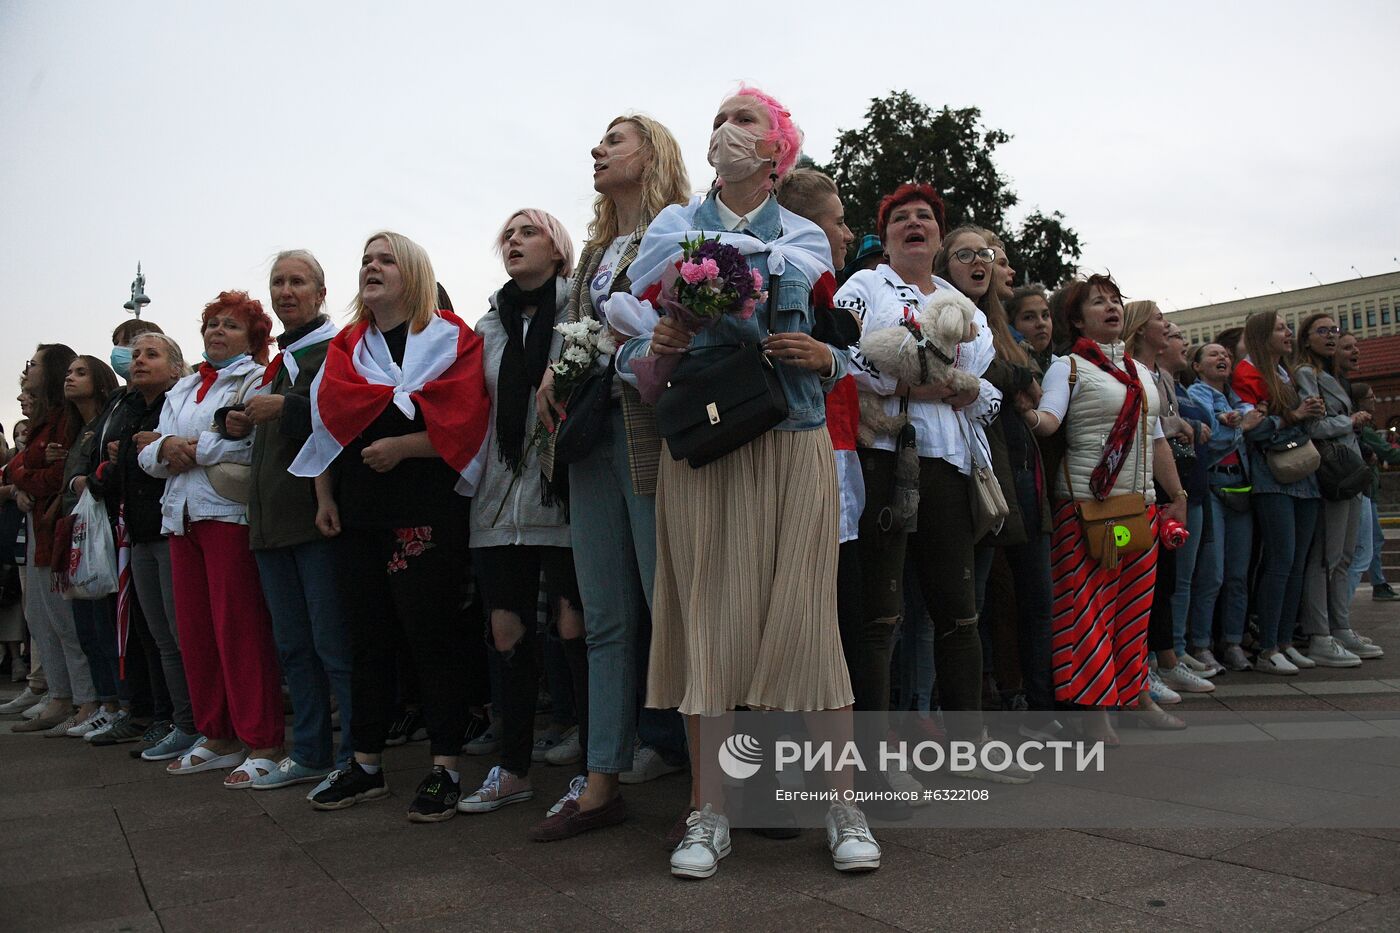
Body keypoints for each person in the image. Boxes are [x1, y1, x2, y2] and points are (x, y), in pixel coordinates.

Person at [616, 85, 877, 878]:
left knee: (807, 622)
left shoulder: (805, 235)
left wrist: (829, 360)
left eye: (745, 120)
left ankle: (841, 804)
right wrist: (657, 345)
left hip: (793, 441)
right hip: (704, 446)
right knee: (707, 626)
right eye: (719, 121)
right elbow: (626, 351)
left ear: (777, 150)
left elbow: (847, 342)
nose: (727, 131)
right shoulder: (670, 230)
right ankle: (708, 813)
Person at [530, 115, 693, 841]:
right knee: (605, 617)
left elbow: (683, 325)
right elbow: (576, 331)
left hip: (653, 438)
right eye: (598, 141)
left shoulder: (681, 229)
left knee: (675, 610)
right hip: (591, 437)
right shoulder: (595, 250)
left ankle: (714, 785)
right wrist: (551, 376)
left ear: (652, 154)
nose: (597, 150)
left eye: (615, 141)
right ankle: (601, 780)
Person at [294, 231, 490, 822]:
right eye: (365, 261)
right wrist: (324, 495)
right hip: (358, 509)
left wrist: (405, 446)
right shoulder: (347, 346)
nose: (371, 268)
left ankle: (445, 768)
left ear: (413, 272)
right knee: (366, 637)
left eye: (385, 260)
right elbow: (326, 427)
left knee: (431, 636)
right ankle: (365, 766)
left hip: (426, 508)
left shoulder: (452, 338)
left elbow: (470, 426)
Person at [839, 188, 1031, 768]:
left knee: (958, 614)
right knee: (880, 617)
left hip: (948, 466)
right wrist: (907, 385)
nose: (913, 223)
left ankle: (968, 750)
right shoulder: (864, 285)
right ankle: (869, 763)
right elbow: (842, 354)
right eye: (900, 217)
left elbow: (984, 385)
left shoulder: (959, 301)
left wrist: (957, 387)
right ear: (887, 235)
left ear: (937, 237)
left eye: (924, 217)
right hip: (883, 460)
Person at [1024, 275, 1190, 742]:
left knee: (1134, 612)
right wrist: (1026, 411)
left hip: (1140, 508)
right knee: (1088, 614)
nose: (1111, 308)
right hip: (1086, 511)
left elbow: (1155, 438)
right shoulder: (1068, 368)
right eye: (1098, 302)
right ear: (1077, 319)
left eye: (1115, 300)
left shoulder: (1139, 372)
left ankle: (1136, 695)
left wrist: (1176, 495)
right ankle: (1095, 714)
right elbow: (1050, 420)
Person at [458, 208, 585, 820]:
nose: (513, 240)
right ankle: (511, 769)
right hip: (497, 498)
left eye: (527, 232)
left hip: (561, 493)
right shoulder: (488, 324)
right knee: (505, 632)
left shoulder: (581, 312)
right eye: (506, 234)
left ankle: (595, 766)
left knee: (573, 626)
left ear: (558, 250)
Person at [138, 291, 288, 781]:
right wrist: (164, 451)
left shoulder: (256, 378)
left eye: (230, 325)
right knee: (196, 634)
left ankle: (262, 741)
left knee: (240, 630)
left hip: (227, 516)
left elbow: (248, 448)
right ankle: (217, 733)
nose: (217, 332)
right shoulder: (183, 390)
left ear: (253, 337)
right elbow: (149, 457)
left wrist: (183, 449)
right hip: (181, 517)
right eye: (211, 324)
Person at [224, 249, 353, 789]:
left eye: (298, 281)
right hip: (271, 522)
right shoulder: (281, 361)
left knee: (333, 645)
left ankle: (354, 756)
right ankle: (310, 753)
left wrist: (289, 409)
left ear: (321, 293)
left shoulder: (336, 349)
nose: (286, 291)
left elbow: (349, 416)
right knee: (294, 647)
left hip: (314, 520)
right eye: (278, 282)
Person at [934, 227, 1056, 734]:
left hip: (1018, 470)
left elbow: (1018, 388)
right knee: (971, 601)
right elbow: (973, 378)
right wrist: (1013, 379)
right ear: (946, 264)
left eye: (988, 255)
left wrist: (1013, 379)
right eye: (968, 254)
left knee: (1027, 594)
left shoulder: (1001, 328)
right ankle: (968, 706)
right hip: (973, 468)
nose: (984, 262)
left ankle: (1029, 701)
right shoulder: (942, 311)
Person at [107, 332, 204, 762]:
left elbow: (177, 459)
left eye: (152, 354)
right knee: (161, 637)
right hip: (140, 535)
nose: (139, 361)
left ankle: (202, 723)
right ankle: (178, 721)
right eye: (136, 354)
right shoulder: (129, 409)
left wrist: (154, 447)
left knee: (185, 635)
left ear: (176, 366)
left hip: (172, 529)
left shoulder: (177, 405)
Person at [1121, 304, 1215, 699]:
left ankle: (1166, 661)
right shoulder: (1127, 369)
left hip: (1167, 481)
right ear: (1142, 330)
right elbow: (1154, 429)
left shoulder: (1159, 377)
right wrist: (1176, 424)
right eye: (1160, 320)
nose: (1169, 327)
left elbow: (1160, 432)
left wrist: (1178, 493)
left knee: (1168, 579)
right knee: (1144, 585)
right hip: (1138, 487)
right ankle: (1143, 669)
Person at [8, 343, 100, 736]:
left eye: (36, 364)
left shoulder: (64, 420)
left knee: (65, 623)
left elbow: (53, 475)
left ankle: (80, 699)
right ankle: (62, 694)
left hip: (56, 528)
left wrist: (25, 477)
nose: (29, 370)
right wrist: (24, 476)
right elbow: (19, 467)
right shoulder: (46, 421)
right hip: (43, 529)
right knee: (44, 620)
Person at [1231, 310, 1325, 674]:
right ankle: (1268, 646)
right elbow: (1253, 429)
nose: (1289, 333)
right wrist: (1294, 416)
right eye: (1281, 328)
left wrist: (1306, 413)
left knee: (1296, 562)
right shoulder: (1248, 372)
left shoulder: (1284, 371)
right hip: (1272, 476)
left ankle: (1284, 640)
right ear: (1261, 335)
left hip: (1302, 473)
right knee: (1280, 561)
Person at [1293, 312, 1376, 664]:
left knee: (1343, 556)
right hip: (1331, 472)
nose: (1330, 336)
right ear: (1306, 338)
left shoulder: (1331, 375)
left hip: (1350, 471)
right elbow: (1313, 426)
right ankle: (1320, 634)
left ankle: (1341, 627)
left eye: (1334, 330)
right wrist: (1350, 420)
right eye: (1322, 331)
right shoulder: (1305, 374)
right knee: (1325, 558)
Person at [1186, 342, 1264, 672]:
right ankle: (1201, 645)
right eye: (1214, 355)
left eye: (1227, 355)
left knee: (1237, 575)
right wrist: (1242, 428)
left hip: (1241, 489)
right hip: (1214, 488)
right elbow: (1212, 439)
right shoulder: (1196, 395)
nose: (1223, 358)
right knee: (1212, 575)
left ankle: (1232, 641)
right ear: (1198, 366)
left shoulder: (1235, 398)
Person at [57, 354, 121, 737]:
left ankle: (113, 703)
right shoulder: (78, 430)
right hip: (77, 531)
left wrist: (81, 481)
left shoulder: (103, 426)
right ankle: (102, 700)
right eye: (68, 372)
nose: (70, 378)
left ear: (99, 381)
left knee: (103, 623)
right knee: (87, 628)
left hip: (99, 533)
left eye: (80, 372)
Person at [1347, 379, 1400, 613]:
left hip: (1369, 491)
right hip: (1365, 492)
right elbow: (1388, 452)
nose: (1374, 400)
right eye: (1369, 397)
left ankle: (1379, 582)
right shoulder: (1365, 430)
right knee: (1370, 543)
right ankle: (1378, 584)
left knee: (1372, 541)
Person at [1009, 284, 1054, 374]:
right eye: (1029, 317)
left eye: (1045, 315)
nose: (1041, 323)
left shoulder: (1061, 365)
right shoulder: (1010, 368)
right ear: (1012, 324)